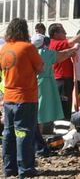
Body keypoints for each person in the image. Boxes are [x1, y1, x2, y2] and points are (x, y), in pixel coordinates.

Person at [0, 18, 44, 177]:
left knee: (9, 133)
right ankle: (25, 169)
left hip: (9, 99)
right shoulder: (28, 48)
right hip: (25, 99)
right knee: (23, 133)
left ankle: (9, 168)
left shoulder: (4, 49)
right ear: (24, 30)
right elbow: (40, 67)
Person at [48, 23, 80, 120]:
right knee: (64, 108)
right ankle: (62, 130)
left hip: (64, 80)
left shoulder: (58, 45)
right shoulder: (56, 43)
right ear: (55, 34)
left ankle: (63, 128)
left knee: (65, 108)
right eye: (63, 31)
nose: (65, 33)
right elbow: (71, 43)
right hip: (62, 80)